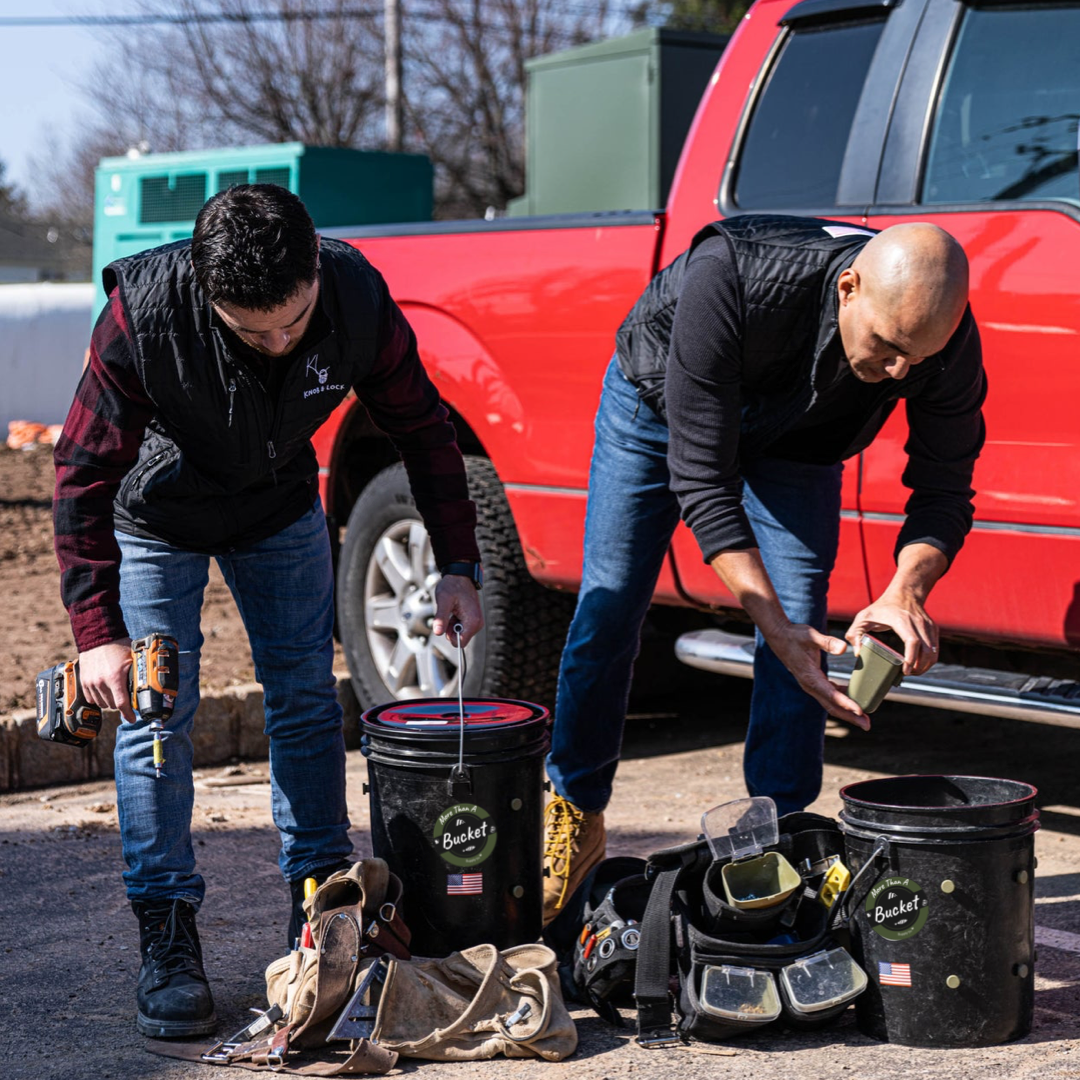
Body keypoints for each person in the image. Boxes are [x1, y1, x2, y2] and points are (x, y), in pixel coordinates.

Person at [52, 185, 484, 1037]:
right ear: (211, 297)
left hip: (279, 508)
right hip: (158, 516)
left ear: (315, 265)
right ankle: (167, 933)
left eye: (293, 321)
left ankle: (325, 909)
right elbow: (80, 473)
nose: (280, 343)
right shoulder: (143, 314)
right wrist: (98, 635)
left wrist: (458, 565)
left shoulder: (358, 300)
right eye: (254, 332)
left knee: (304, 699)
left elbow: (425, 431)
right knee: (155, 715)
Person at [541, 214, 985, 923]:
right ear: (848, 288)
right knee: (613, 602)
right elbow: (701, 482)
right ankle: (575, 807)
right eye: (890, 348)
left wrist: (906, 590)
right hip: (658, 405)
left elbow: (945, 489)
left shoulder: (941, 339)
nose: (901, 373)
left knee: (802, 625)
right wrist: (768, 622)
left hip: (801, 441)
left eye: (918, 359)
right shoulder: (735, 273)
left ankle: (776, 845)